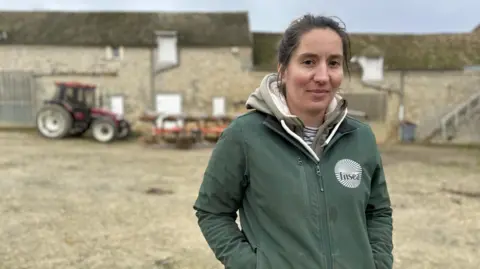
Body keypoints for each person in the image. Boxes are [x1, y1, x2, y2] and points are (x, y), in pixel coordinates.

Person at [193, 13, 393, 269]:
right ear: (283, 71)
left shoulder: (360, 138)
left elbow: (378, 212)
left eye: (333, 63)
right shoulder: (244, 136)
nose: (322, 76)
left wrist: (379, 263)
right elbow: (212, 212)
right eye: (308, 62)